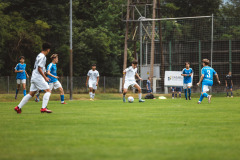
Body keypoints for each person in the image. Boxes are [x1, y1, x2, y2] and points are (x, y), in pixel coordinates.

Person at [14, 43, 53, 113]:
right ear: (48, 50)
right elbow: (39, 68)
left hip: (34, 76)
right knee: (48, 91)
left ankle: (18, 107)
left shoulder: (39, 55)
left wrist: (44, 75)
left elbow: (40, 68)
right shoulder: (43, 57)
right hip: (38, 77)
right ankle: (43, 108)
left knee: (31, 94)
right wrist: (45, 77)